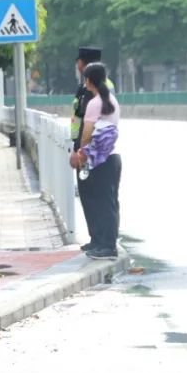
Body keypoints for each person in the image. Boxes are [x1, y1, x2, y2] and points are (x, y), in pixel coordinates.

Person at [70, 62, 121, 260]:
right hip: (112, 158)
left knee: (98, 203)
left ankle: (106, 245)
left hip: (97, 159)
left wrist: (81, 154)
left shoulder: (94, 103)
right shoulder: (112, 101)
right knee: (108, 203)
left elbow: (87, 133)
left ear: (89, 81)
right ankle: (104, 243)